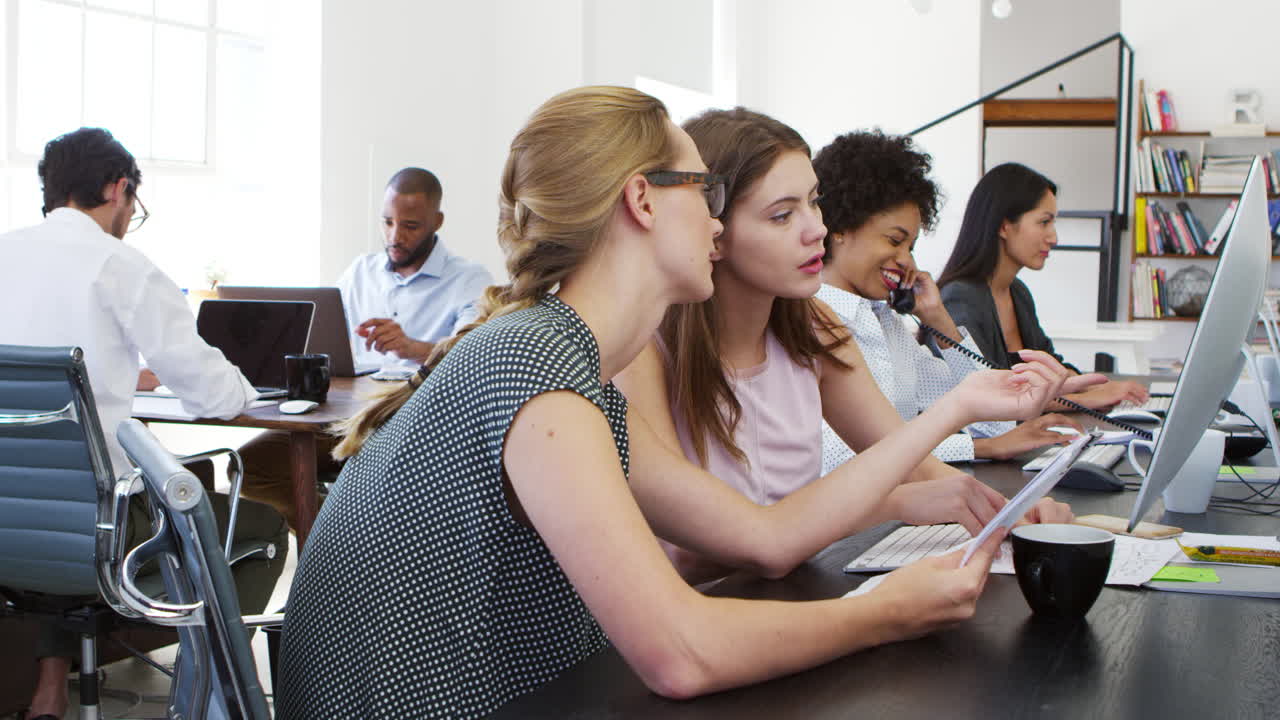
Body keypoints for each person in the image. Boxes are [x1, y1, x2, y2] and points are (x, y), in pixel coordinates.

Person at [277, 86, 1088, 718]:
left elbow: (762, 537)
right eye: (704, 192)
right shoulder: (537, 368)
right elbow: (681, 654)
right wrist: (885, 611)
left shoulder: (567, 364)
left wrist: (937, 461)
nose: (717, 223)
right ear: (642, 201)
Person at [616, 108, 1095, 584]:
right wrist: (892, 502)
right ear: (713, 230)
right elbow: (690, 554)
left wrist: (1016, 513)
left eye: (814, 203)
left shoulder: (816, 328)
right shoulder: (643, 352)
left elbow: (914, 465)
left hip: (790, 594)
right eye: (782, 215)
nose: (817, 230)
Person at [0, 127, 288, 720]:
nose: (130, 216)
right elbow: (213, 391)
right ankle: (203, 697)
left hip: (10, 532)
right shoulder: (120, 265)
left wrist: (121, 375)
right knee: (260, 526)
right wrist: (244, 384)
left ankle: (49, 690)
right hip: (99, 539)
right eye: (134, 203)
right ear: (117, 189)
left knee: (60, 483)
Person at [811, 130, 1082, 469]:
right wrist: (982, 448)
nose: (906, 260)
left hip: (911, 492)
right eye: (894, 241)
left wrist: (938, 319)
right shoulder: (808, 320)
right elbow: (839, 455)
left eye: (910, 247)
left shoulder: (887, 323)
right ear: (841, 228)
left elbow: (991, 422)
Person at [938, 162, 1148, 410]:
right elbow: (991, 397)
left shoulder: (1017, 292)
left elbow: (1053, 368)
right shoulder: (960, 299)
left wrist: (1099, 387)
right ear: (1004, 226)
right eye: (1044, 222)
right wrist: (1087, 400)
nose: (1054, 238)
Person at [337, 167, 494, 367]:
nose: (395, 237)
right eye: (388, 222)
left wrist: (411, 348)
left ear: (437, 222)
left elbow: (471, 356)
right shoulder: (360, 271)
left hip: (424, 388)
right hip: (358, 387)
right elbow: (320, 333)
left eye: (410, 226)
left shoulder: (470, 280)